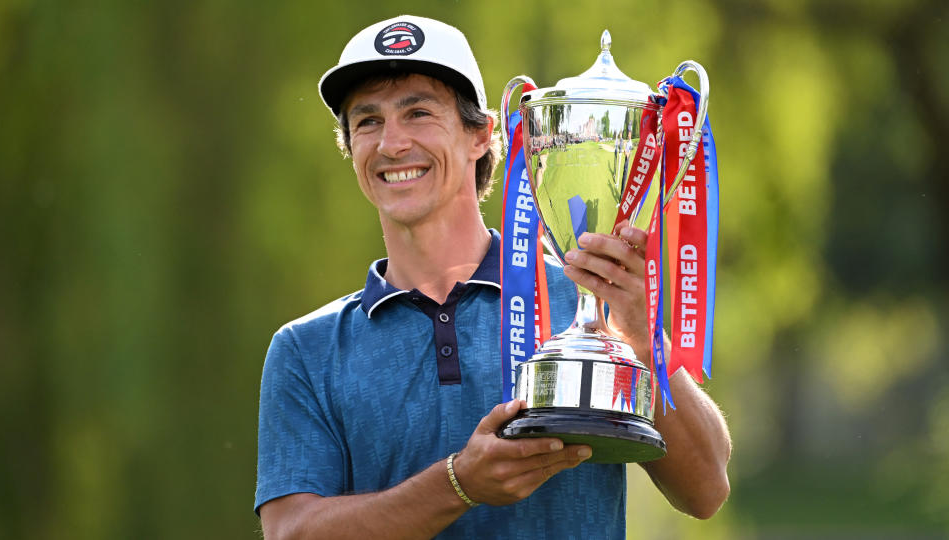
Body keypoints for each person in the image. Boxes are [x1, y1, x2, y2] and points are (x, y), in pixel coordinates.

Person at [255, 15, 731, 539]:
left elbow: (706, 490)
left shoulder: (584, 301)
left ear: (480, 135)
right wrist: (458, 484)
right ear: (350, 146)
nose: (391, 144)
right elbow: (291, 532)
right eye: (367, 121)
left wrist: (643, 338)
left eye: (418, 113)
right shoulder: (307, 349)